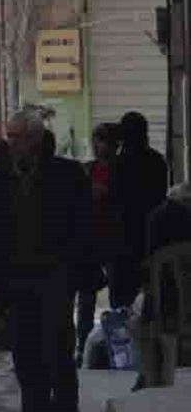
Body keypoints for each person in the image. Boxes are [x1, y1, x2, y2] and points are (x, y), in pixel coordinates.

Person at [0, 109, 91, 412]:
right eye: (10, 137)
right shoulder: (0, 180)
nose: (14, 144)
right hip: (17, 279)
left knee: (58, 351)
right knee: (25, 354)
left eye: (20, 137)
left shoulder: (67, 174)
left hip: (55, 275)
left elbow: (81, 227)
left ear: (36, 138)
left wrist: (78, 272)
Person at [109, 111, 170, 308]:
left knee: (121, 303)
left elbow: (114, 199)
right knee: (149, 298)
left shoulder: (118, 163)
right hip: (151, 237)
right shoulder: (157, 161)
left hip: (122, 238)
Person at [134, 181, 191, 388]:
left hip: (166, 310)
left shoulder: (159, 219)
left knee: (138, 319)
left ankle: (150, 377)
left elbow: (148, 272)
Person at [78, 123, 121, 360]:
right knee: (86, 295)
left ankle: (117, 343)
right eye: (95, 140)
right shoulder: (87, 169)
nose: (96, 146)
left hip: (113, 238)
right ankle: (82, 343)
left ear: (114, 145)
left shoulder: (121, 170)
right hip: (90, 239)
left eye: (101, 140)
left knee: (117, 294)